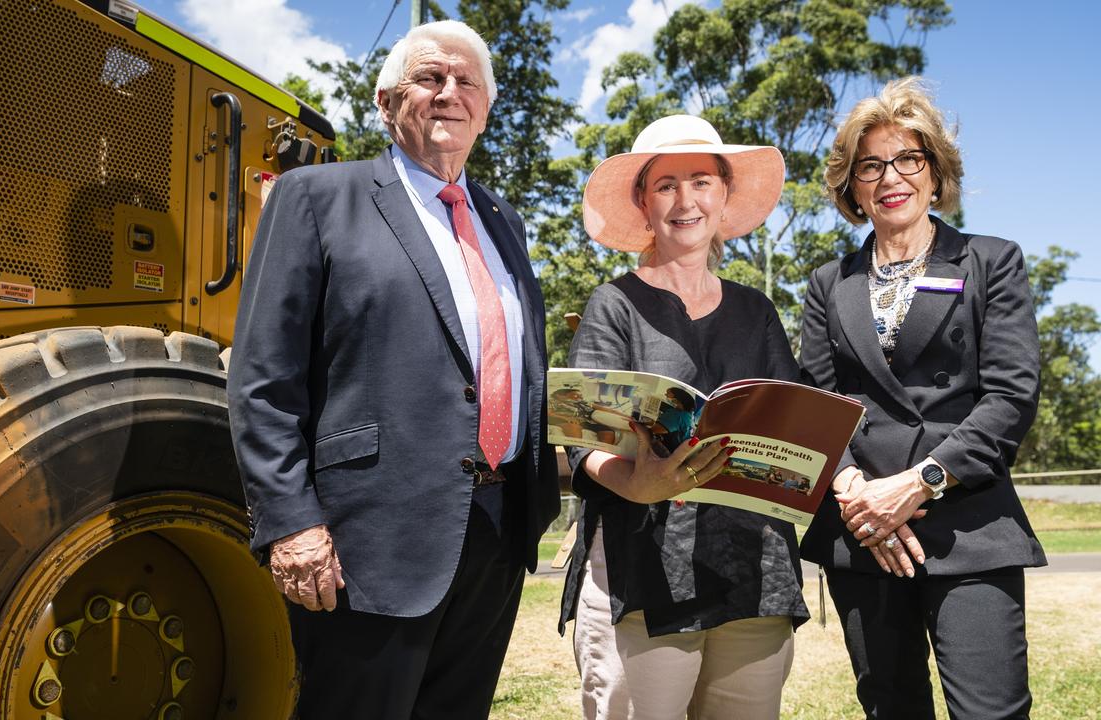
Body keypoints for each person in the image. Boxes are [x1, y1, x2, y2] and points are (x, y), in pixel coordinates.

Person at [227, 20, 560, 719]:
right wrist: (291, 523)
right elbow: (263, 378)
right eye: (429, 78)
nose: (449, 93)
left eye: (466, 81)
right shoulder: (316, 198)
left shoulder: (505, 220)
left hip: (495, 533)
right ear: (385, 103)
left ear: (486, 109)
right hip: (364, 544)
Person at [798, 77, 1044, 720]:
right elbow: (817, 401)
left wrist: (916, 485)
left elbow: (1011, 395)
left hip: (969, 524)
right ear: (852, 186)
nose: (890, 177)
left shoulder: (991, 262)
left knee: (990, 711)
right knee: (890, 706)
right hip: (863, 533)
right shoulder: (828, 285)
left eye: (909, 159)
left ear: (936, 174)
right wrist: (856, 494)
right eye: (870, 165)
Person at [558, 114, 808, 719]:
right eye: (666, 185)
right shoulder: (613, 304)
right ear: (644, 204)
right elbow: (579, 435)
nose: (685, 200)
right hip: (639, 567)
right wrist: (635, 482)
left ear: (723, 196)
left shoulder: (757, 311)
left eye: (701, 181)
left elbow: (794, 425)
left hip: (754, 569)